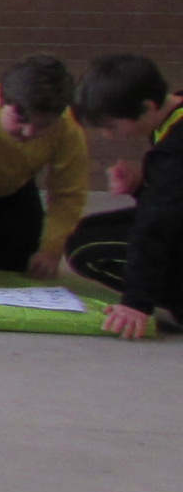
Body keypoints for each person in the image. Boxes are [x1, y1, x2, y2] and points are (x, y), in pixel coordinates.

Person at [64, 54, 178, 342]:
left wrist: (136, 303)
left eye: (112, 126)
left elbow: (155, 225)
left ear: (147, 107)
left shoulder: (174, 152)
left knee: (87, 249)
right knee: (87, 231)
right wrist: (142, 186)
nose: (107, 135)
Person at [0, 54, 87, 278]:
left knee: (23, 266)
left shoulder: (68, 128)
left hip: (11, 191)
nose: (29, 132)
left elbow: (67, 194)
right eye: (19, 120)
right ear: (0, 99)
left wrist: (51, 249)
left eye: (43, 126)